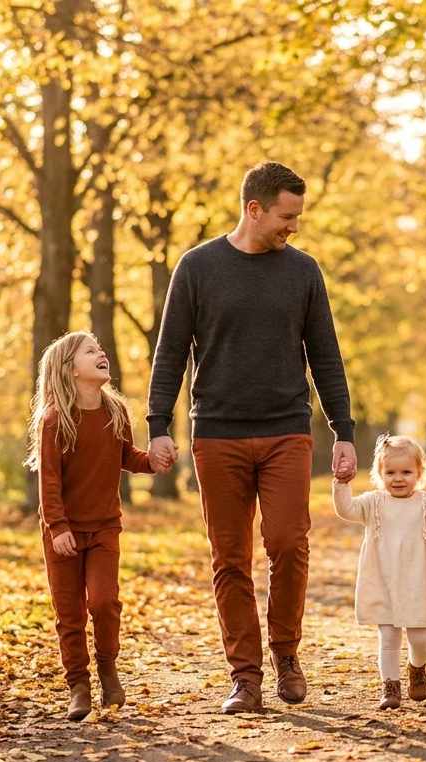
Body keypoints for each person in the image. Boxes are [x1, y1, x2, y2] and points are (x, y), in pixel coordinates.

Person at [145, 161, 357, 714]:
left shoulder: (304, 272)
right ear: (254, 208)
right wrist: (156, 424)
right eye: (287, 216)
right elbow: (169, 352)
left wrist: (343, 430)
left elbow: (326, 356)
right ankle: (245, 676)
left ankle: (286, 654)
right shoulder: (197, 267)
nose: (294, 227)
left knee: (288, 542)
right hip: (217, 434)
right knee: (230, 558)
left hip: (287, 429)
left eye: (299, 217)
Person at [26, 331, 160, 720]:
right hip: (62, 532)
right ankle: (78, 686)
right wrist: (58, 527)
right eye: (91, 351)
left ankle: (107, 667)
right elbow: (48, 482)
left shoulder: (115, 411)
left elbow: (126, 456)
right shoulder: (55, 420)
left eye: (102, 349)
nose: (102, 354)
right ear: (70, 370)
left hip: (104, 528)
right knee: (69, 614)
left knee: (104, 602)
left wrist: (153, 461)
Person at [333, 435, 426, 709]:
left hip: (417, 582)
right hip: (382, 580)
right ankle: (390, 687)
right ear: (379, 474)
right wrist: (342, 484)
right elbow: (346, 509)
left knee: (420, 637)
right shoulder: (373, 503)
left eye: (406, 472)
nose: (398, 478)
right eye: (390, 472)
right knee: (389, 637)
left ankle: (417, 666)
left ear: (419, 473)